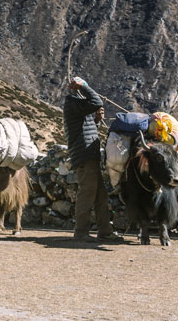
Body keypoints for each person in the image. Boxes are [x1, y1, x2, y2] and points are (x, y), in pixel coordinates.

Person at [63, 77, 121, 243]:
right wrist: (86, 86)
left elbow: (85, 129)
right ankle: (80, 232)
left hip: (90, 156)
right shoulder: (73, 104)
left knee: (100, 196)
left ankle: (104, 231)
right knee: (87, 194)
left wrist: (95, 119)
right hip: (85, 156)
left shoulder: (78, 107)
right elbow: (96, 101)